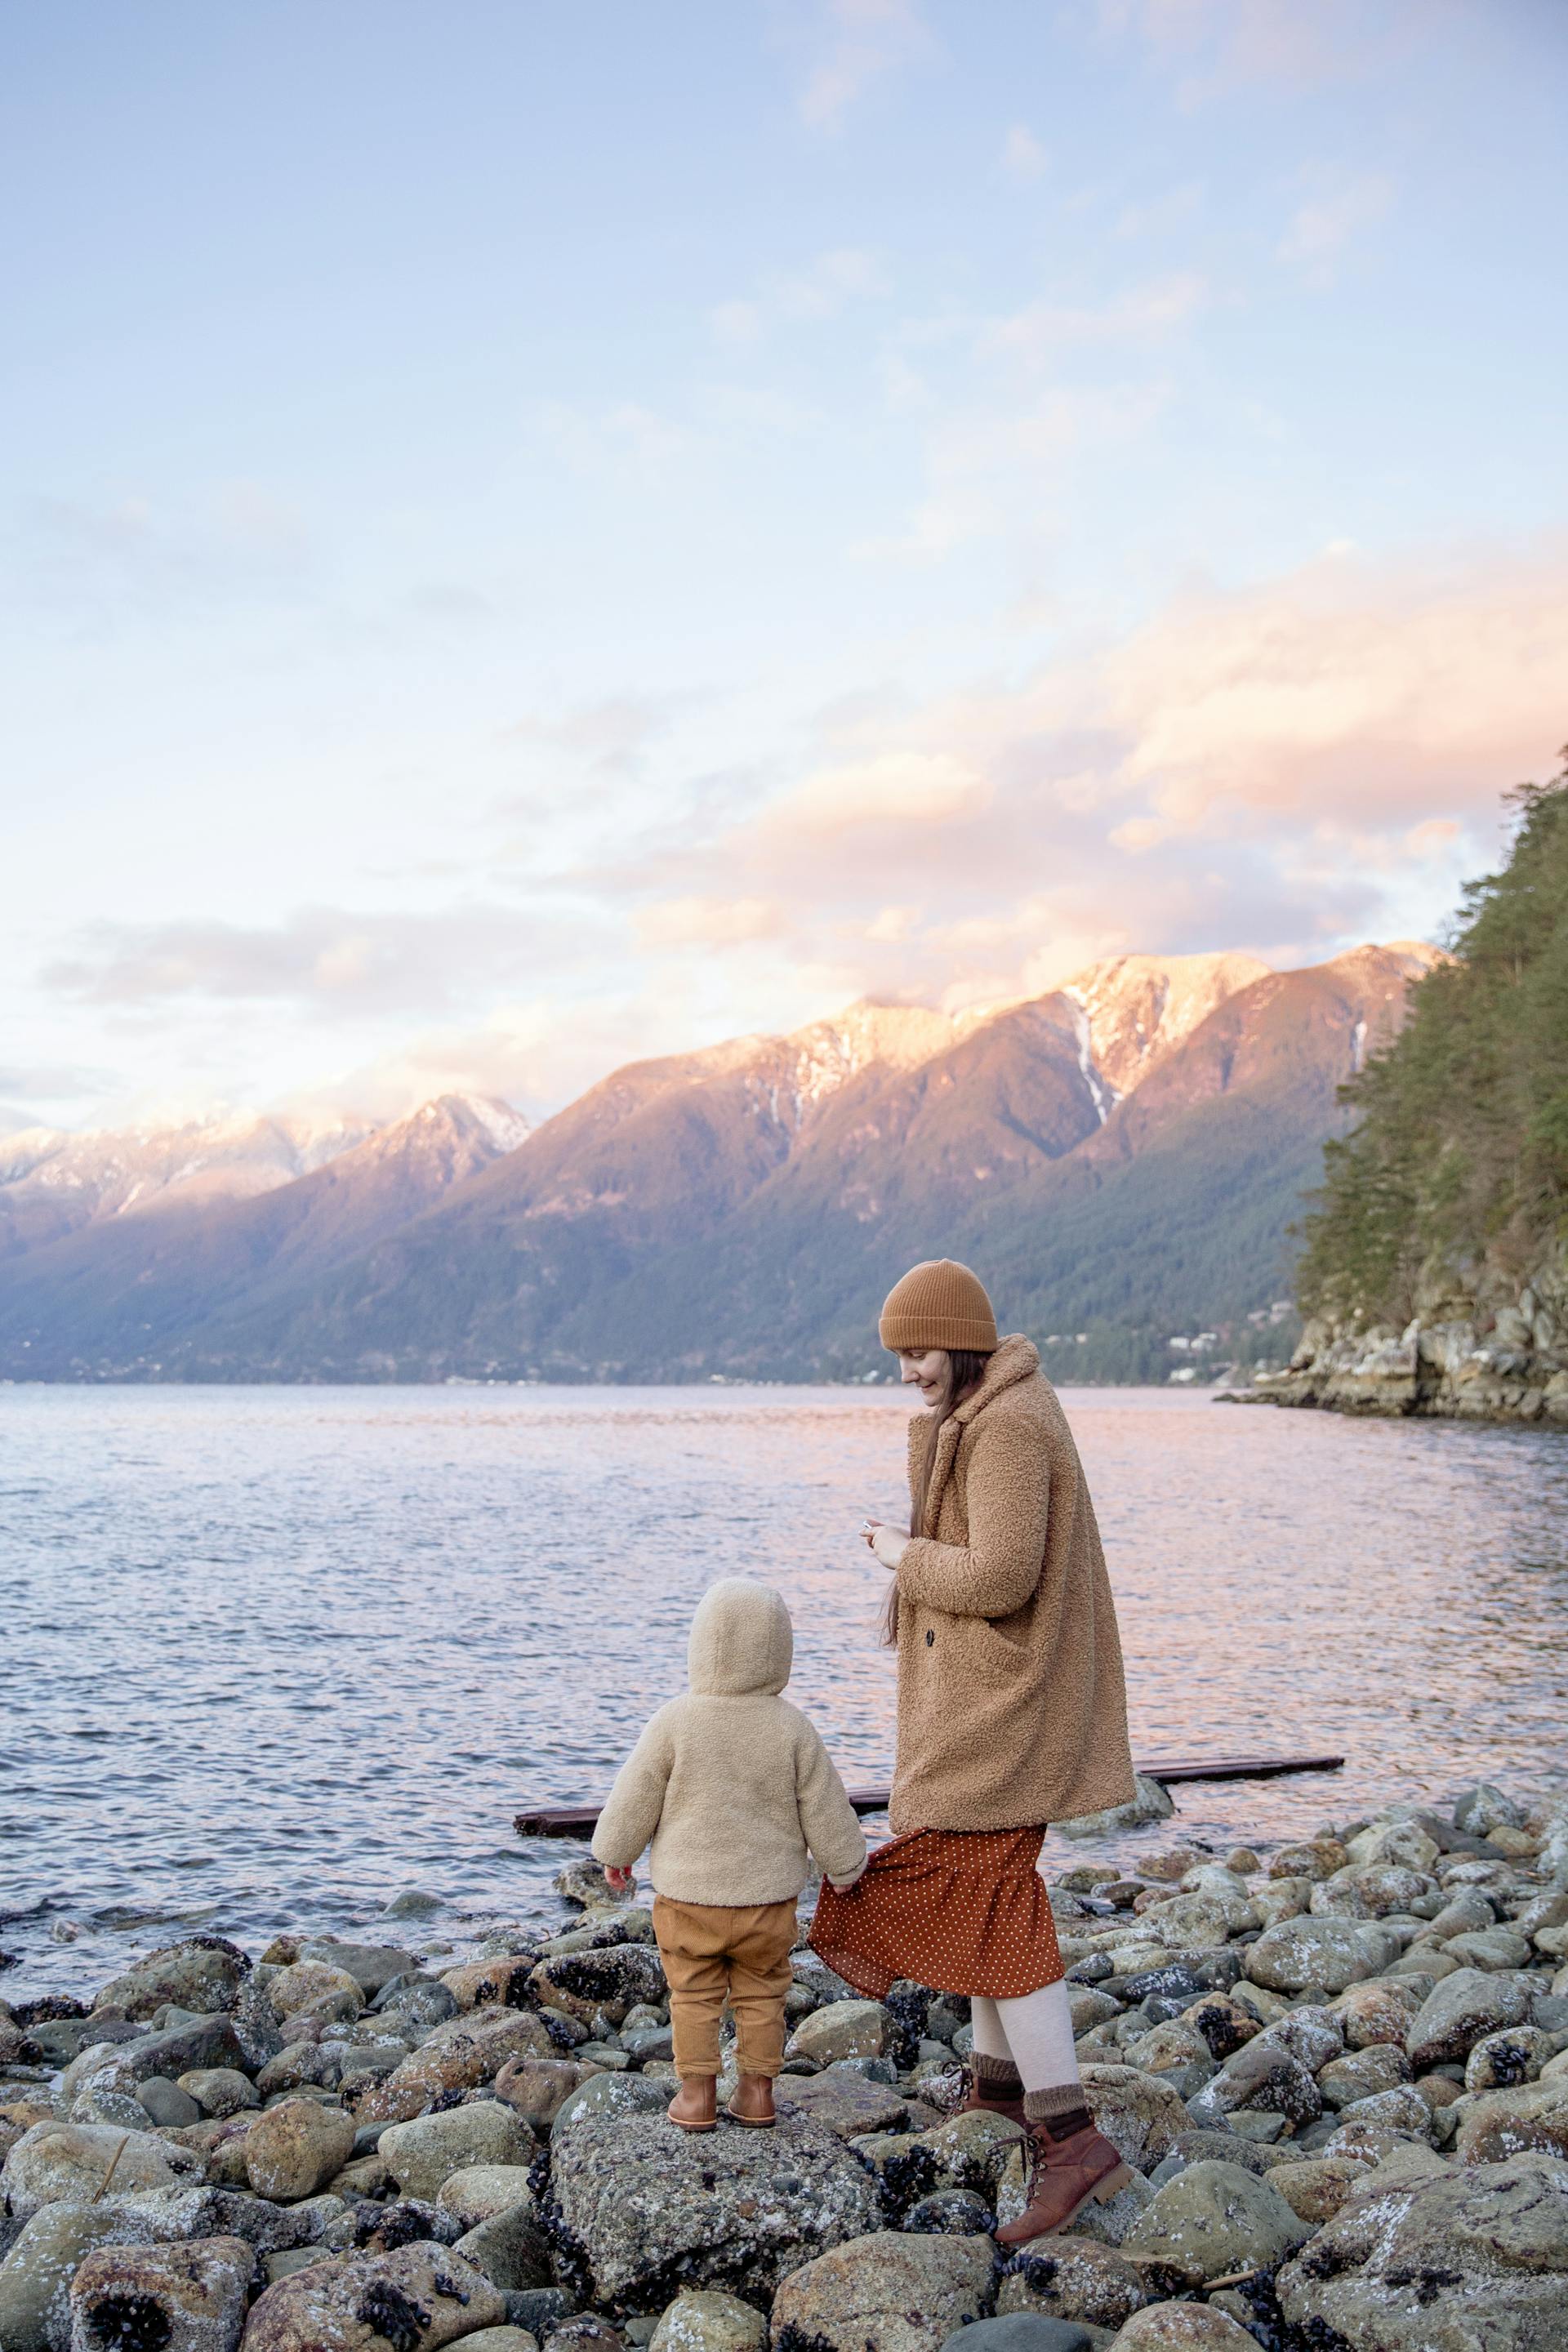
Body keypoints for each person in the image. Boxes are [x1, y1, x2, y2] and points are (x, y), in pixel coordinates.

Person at [810, 1257, 1138, 2238]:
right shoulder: (997, 1414)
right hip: (1001, 1702)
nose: (907, 1370)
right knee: (985, 1888)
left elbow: (1000, 1576)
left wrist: (900, 1555)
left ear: (956, 1341)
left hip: (1004, 1709)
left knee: (987, 1892)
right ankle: (997, 2092)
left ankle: (1074, 2141)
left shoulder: (1003, 1428)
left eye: (915, 1351)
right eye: (899, 1355)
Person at [591, 1575, 867, 2132]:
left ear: (700, 1645)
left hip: (688, 1898)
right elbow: (826, 1807)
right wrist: (845, 1866)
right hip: (767, 1901)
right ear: (779, 1651)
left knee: (692, 1995)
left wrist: (615, 1853)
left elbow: (635, 1794)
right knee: (764, 1994)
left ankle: (695, 2098)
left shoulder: (675, 1719)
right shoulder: (793, 1726)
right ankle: (757, 2095)